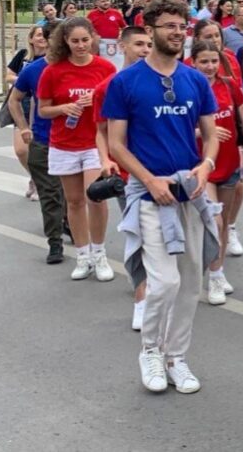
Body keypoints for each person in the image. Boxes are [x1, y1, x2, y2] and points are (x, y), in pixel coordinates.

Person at [104, 0, 220, 394]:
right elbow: (116, 144)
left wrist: (205, 166)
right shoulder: (126, 82)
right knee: (165, 282)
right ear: (149, 29)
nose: (176, 32)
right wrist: (150, 180)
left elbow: (211, 137)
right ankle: (150, 351)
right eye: (168, 25)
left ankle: (177, 357)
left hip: (188, 192)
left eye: (181, 26)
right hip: (149, 194)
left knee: (190, 283)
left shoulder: (195, 80)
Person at [37, 17, 117, 281]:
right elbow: (43, 110)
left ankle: (100, 252)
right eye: (75, 41)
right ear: (65, 42)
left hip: (94, 142)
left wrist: (95, 103)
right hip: (63, 144)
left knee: (95, 196)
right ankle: (82, 255)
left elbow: (115, 107)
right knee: (73, 201)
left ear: (93, 38)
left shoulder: (105, 68)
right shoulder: (53, 71)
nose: (81, 45)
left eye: (85, 39)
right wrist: (65, 108)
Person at [93, 25, 152, 331]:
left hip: (162, 171)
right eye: (139, 44)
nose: (145, 49)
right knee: (137, 235)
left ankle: (162, 292)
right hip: (127, 173)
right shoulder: (108, 86)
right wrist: (105, 160)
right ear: (122, 46)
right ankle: (141, 299)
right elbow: (102, 131)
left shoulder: (163, 80)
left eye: (148, 44)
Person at [188, 40, 243, 305]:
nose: (210, 66)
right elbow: (177, 129)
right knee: (216, 223)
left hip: (229, 162)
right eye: (204, 61)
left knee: (224, 224)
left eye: (214, 61)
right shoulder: (187, 87)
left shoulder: (229, 86)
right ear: (193, 62)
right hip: (202, 165)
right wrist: (203, 133)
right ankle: (212, 278)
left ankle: (218, 271)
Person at [7, 21, 66, 265]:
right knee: (51, 194)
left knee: (71, 194)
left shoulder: (80, 66)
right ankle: (55, 241)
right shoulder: (34, 69)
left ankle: (70, 224)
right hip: (43, 141)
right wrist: (23, 129)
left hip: (74, 143)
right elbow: (14, 100)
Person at [7, 25, 49, 201]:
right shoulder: (23, 56)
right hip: (22, 103)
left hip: (41, 106)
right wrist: (24, 80)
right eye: (38, 35)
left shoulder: (51, 59)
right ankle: (35, 176)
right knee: (21, 150)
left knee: (39, 149)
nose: (41, 38)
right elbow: (8, 75)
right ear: (31, 38)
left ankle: (43, 183)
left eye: (44, 35)